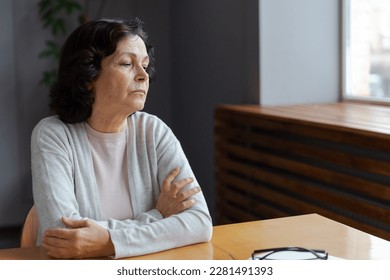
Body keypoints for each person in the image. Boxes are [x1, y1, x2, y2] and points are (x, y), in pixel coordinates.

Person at [31, 18, 212, 259]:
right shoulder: (53, 135)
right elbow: (65, 236)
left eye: (145, 66)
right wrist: (157, 217)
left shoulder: (154, 131)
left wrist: (106, 242)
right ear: (87, 78)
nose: (143, 76)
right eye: (127, 63)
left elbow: (199, 222)